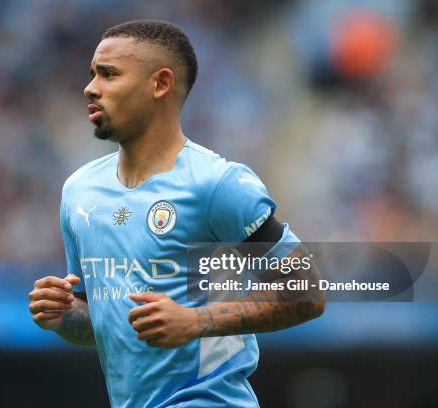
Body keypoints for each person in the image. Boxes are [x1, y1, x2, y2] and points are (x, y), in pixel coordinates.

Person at [28, 19, 325, 408]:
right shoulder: (79, 191)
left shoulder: (217, 184)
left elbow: (306, 293)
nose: (90, 87)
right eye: (92, 74)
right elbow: (101, 324)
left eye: (109, 74)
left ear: (160, 84)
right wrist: (61, 314)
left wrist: (194, 322)